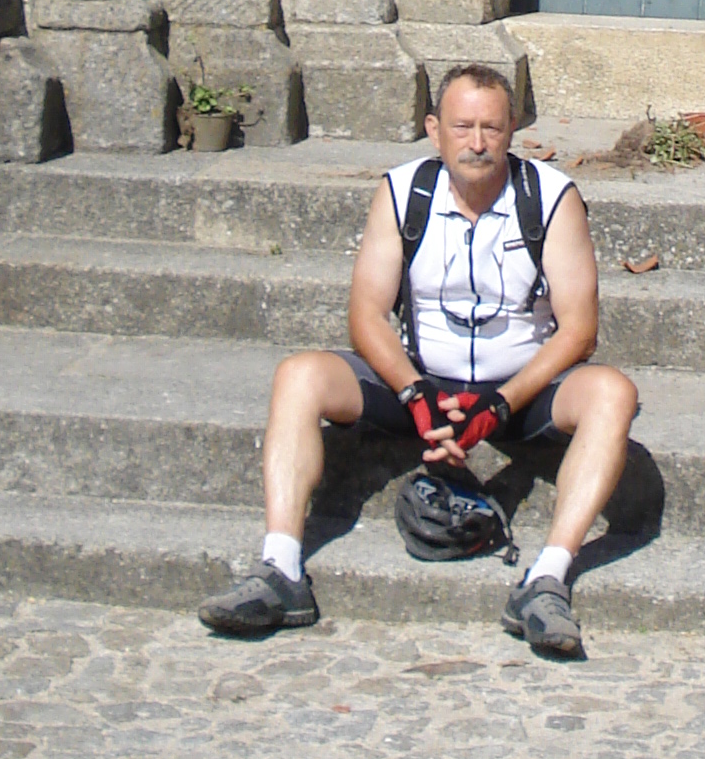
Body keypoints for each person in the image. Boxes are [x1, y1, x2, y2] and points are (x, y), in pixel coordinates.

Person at [197, 64, 640, 659]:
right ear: (435, 130)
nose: (476, 143)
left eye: (491, 127)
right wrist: (414, 394)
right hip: (419, 383)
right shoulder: (405, 191)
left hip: (524, 388)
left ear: (513, 131)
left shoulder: (552, 198)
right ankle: (279, 570)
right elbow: (367, 315)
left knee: (613, 393)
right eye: (461, 126)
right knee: (298, 375)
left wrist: (500, 403)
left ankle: (547, 581)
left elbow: (579, 331)